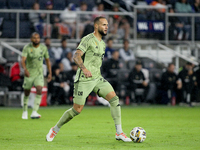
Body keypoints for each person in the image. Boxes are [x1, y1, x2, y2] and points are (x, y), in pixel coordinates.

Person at [46, 16, 132, 142]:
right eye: (103, 24)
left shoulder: (102, 44)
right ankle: (55, 129)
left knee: (114, 99)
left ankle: (119, 132)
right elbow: (76, 56)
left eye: (107, 24)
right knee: (77, 110)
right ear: (96, 26)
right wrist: (84, 69)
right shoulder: (87, 39)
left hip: (97, 78)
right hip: (84, 80)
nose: (106, 27)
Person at [21, 32, 52, 119]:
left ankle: (34, 111)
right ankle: (25, 110)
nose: (36, 39)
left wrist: (50, 73)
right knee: (27, 92)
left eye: (38, 38)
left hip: (39, 73)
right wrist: (25, 70)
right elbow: (23, 60)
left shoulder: (43, 48)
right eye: (34, 38)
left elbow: (47, 60)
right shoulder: (27, 48)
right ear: (31, 39)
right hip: (29, 73)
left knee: (39, 89)